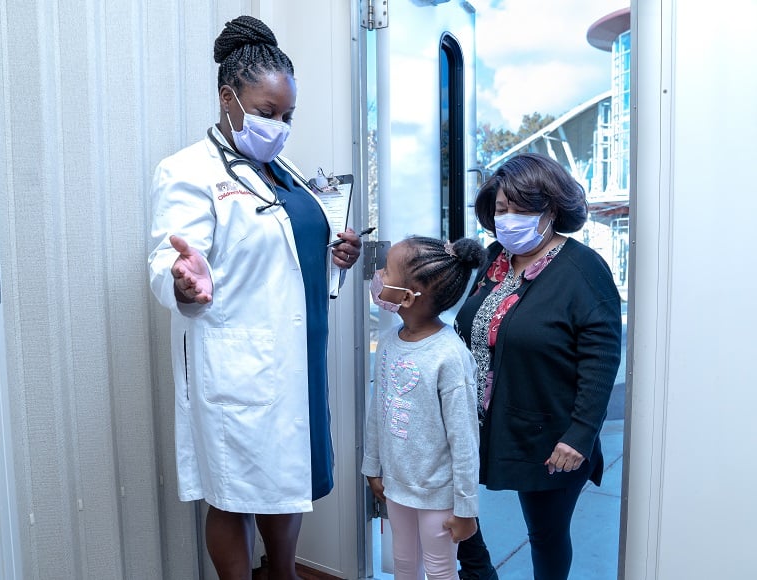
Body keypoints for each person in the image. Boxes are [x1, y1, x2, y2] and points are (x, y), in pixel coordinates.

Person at [147, 15, 362, 580]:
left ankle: (283, 573)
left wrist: (334, 254)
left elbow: (288, 253)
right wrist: (181, 281)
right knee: (235, 490)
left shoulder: (280, 169)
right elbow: (168, 258)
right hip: (239, 364)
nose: (280, 125)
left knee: (289, 481)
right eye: (268, 113)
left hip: (299, 359)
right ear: (229, 98)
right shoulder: (187, 171)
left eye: (287, 115)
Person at [454, 153, 622, 580]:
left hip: (552, 435)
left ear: (550, 210)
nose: (508, 219)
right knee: (457, 511)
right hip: (481, 424)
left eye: (521, 209)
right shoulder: (496, 259)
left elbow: (601, 358)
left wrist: (579, 436)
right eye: (501, 210)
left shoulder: (582, 268)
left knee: (545, 534)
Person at [362, 236, 486, 580]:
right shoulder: (388, 343)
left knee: (440, 569)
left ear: (408, 295)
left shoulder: (450, 356)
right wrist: (373, 465)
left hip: (438, 494)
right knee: (403, 563)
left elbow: (464, 440)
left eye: (386, 270)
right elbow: (378, 411)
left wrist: (466, 508)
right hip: (397, 486)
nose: (378, 274)